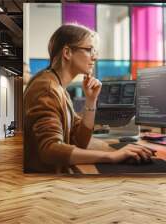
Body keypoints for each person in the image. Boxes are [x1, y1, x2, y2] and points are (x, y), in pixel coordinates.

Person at [23, 24, 153, 173]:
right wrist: (110, 156)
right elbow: (50, 149)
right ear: (67, 52)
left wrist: (90, 101)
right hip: (45, 184)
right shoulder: (46, 89)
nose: (95, 57)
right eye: (89, 49)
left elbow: (79, 141)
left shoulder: (58, 87)